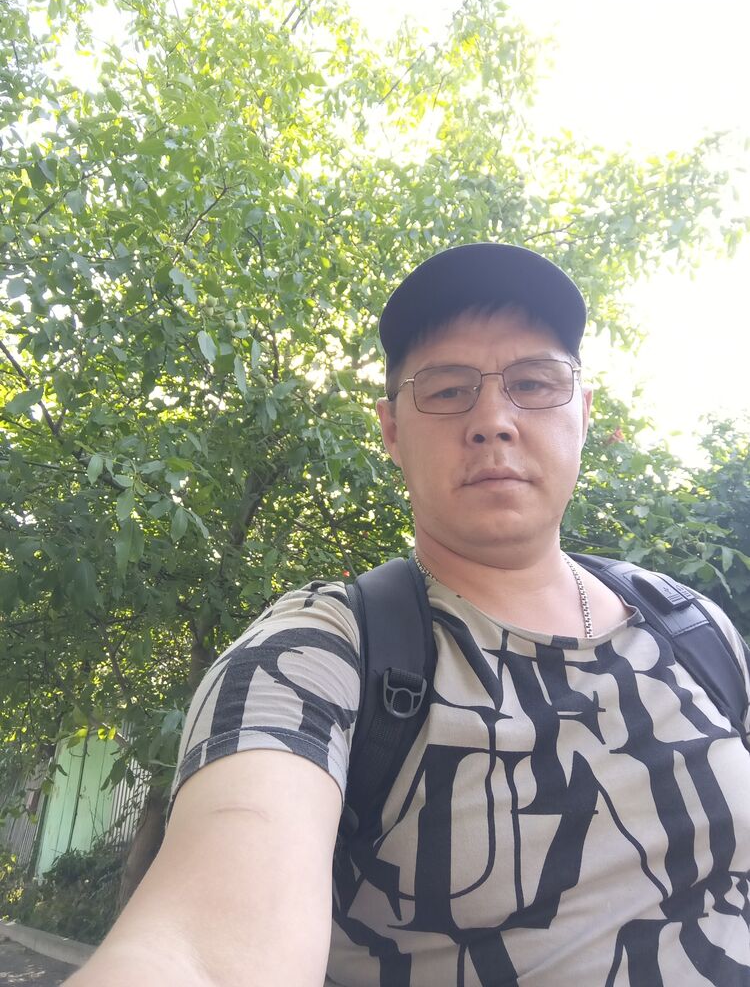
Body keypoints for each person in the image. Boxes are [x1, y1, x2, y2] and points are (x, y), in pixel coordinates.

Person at [67, 244, 750, 986]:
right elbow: (203, 949)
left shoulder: (692, 627)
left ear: (583, 412)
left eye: (533, 383)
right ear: (392, 431)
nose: (493, 421)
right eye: (448, 391)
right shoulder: (323, 651)